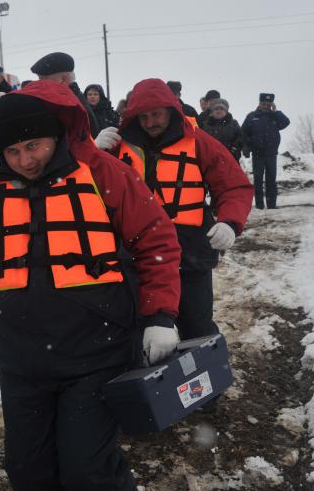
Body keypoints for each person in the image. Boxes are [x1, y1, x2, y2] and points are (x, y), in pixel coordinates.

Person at [0, 80, 182, 491]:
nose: (26, 159)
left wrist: (160, 315)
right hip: (21, 357)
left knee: (87, 470)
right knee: (29, 472)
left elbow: (156, 240)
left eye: (34, 145)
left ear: (56, 136)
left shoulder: (102, 172)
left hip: (96, 352)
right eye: (15, 149)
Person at [100, 78, 253, 340]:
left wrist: (230, 221)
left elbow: (233, 185)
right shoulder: (116, 147)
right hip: (135, 255)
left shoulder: (199, 142)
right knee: (138, 331)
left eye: (156, 114)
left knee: (197, 329)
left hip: (190, 253)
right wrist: (92, 151)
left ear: (171, 110)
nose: (150, 122)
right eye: (143, 116)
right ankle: (144, 380)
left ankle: (205, 377)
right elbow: (80, 186)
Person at [31, 52, 100, 136]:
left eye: (43, 78)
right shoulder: (72, 98)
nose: (39, 82)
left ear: (64, 78)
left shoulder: (71, 104)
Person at [242, 93, 290, 210]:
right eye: (264, 104)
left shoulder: (274, 116)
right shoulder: (252, 116)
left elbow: (286, 122)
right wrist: (246, 148)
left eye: (268, 104)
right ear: (259, 103)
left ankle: (272, 204)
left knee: (271, 179)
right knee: (258, 181)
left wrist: (276, 111)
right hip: (257, 154)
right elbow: (243, 133)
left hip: (271, 154)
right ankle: (259, 205)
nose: (266, 106)